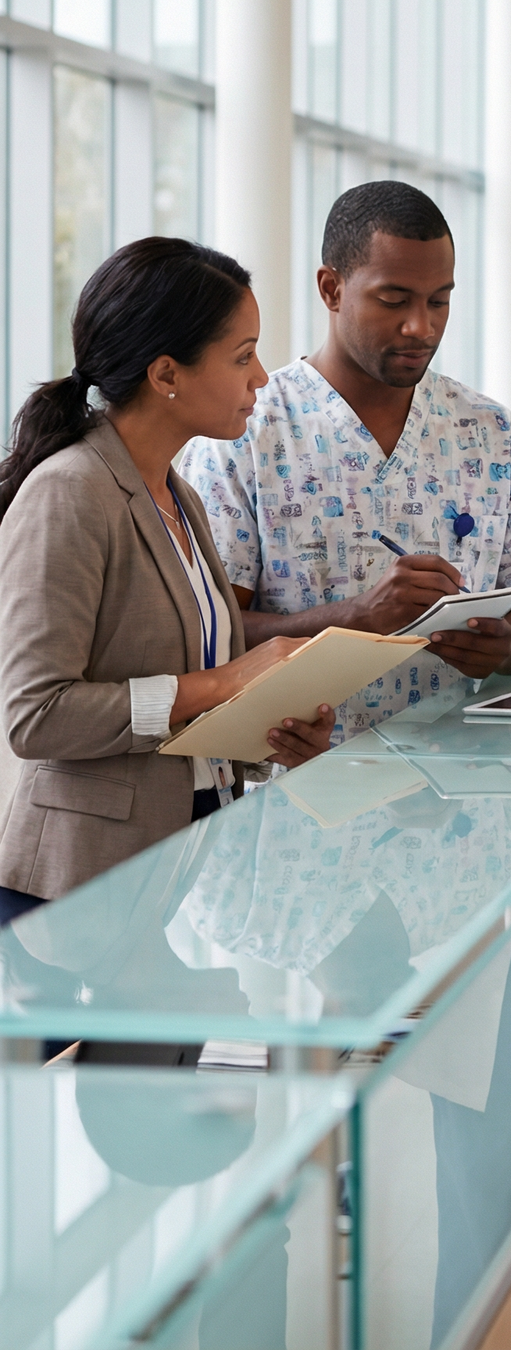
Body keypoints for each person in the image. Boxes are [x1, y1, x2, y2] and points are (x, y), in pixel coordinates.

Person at [0, 239, 335, 929]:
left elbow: (182, 693)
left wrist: (268, 724)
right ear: (166, 374)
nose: (261, 377)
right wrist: (224, 684)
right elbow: (37, 716)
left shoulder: (180, 496)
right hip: (70, 895)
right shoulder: (69, 492)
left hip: (169, 873)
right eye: (242, 356)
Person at [182, 182, 511, 742]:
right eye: (394, 300)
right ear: (331, 289)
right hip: (296, 775)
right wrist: (355, 617)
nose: (421, 327)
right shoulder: (245, 434)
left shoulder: (490, 433)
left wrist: (506, 647)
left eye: (439, 301)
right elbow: (207, 636)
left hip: (458, 776)